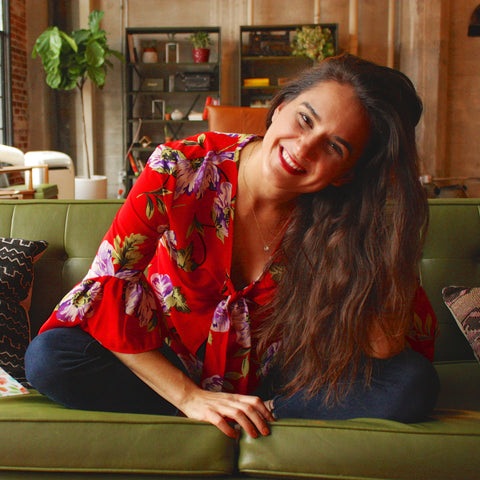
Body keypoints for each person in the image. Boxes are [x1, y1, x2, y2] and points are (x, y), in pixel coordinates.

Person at [25, 53, 440, 439]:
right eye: (305, 119)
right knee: (50, 357)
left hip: (284, 379)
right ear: (279, 108)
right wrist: (190, 397)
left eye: (335, 147)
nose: (303, 148)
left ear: (346, 174)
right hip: (172, 360)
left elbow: (382, 346)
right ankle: (203, 412)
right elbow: (108, 283)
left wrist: (375, 218)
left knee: (410, 384)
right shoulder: (180, 166)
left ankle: (253, 412)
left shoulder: (346, 217)